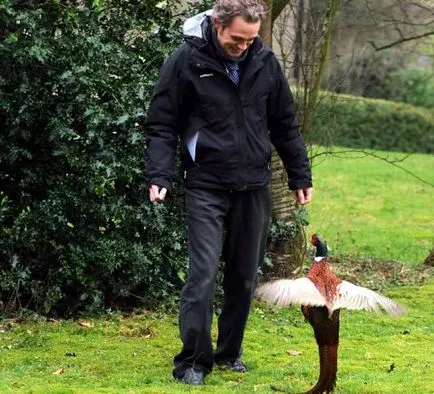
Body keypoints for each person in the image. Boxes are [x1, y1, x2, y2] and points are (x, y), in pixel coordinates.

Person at [145, 0, 313, 386]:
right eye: (237, 39)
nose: (244, 47)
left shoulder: (265, 62)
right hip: (206, 182)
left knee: (243, 278)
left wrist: (299, 175)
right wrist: (160, 174)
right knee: (202, 275)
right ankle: (192, 361)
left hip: (254, 184)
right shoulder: (186, 61)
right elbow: (161, 124)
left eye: (251, 40)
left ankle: (229, 354)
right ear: (218, 26)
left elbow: (285, 124)